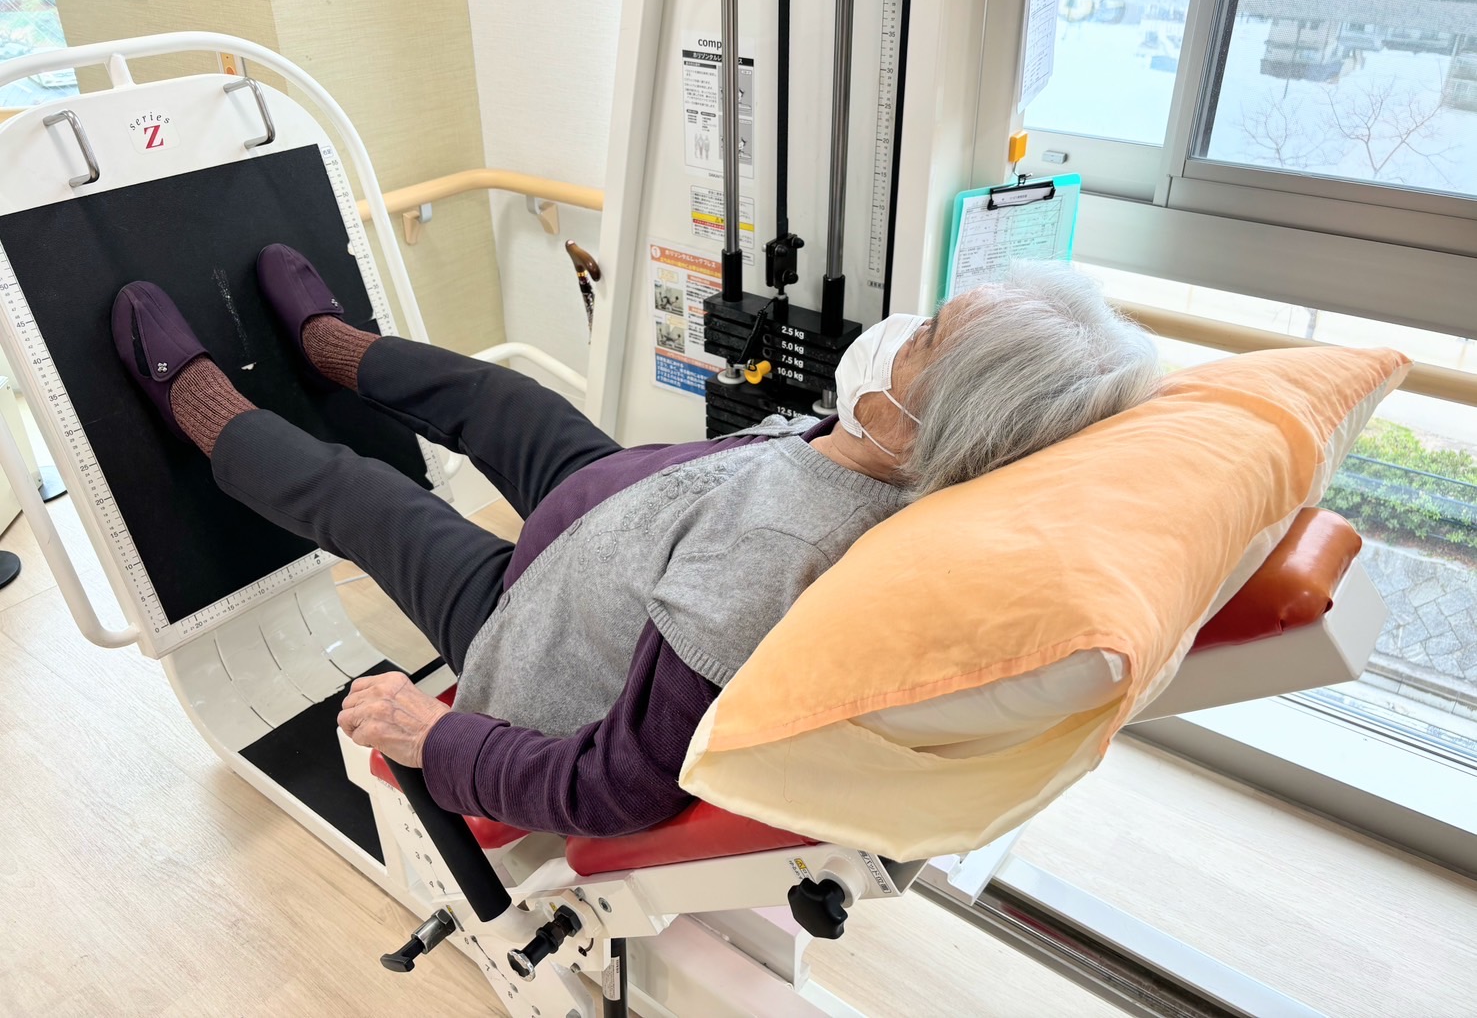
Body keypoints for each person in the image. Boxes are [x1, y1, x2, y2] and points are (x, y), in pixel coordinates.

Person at [112, 248, 1160, 837]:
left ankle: (199, 406)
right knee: (506, 400)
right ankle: (332, 347)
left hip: (528, 628)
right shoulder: (871, 443)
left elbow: (622, 783)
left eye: (925, 337)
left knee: (369, 497)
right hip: (626, 522)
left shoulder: (770, 556)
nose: (901, 329)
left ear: (943, 423)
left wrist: (437, 737)